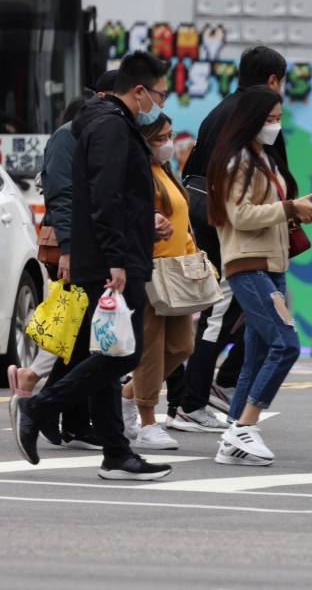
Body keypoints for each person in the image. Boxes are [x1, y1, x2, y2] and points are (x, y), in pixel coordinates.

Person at [11, 52, 174, 480]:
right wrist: (118, 260)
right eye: (159, 93)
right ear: (138, 90)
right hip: (111, 261)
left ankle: (116, 454)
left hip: (106, 255)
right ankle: (40, 405)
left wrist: (141, 225)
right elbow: (105, 198)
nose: (160, 102)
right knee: (126, 351)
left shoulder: (105, 123)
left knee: (108, 350)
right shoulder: (111, 126)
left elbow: (115, 197)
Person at [206, 85, 312, 466]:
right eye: (269, 119)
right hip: (249, 263)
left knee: (255, 355)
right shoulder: (237, 160)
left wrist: (295, 210)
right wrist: (289, 207)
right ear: (251, 120)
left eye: (278, 119)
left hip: (273, 265)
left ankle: (233, 435)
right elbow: (240, 215)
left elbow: (268, 208)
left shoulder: (262, 159)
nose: (275, 126)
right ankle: (244, 428)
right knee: (286, 344)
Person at [176, 45, 290, 428]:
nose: (277, 118)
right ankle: (193, 400)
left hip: (201, 214)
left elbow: (192, 167)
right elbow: (275, 183)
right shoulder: (256, 119)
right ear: (273, 81)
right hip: (232, 232)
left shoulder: (217, 111)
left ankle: (213, 389)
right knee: (220, 310)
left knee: (225, 310)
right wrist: (290, 209)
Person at [6, 79, 113, 450]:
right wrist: (69, 249)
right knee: (79, 335)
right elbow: (63, 195)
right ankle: (42, 401)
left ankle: (62, 415)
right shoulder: (70, 136)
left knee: (82, 338)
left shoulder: (104, 134)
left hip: (91, 251)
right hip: (78, 251)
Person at [119, 114, 197, 451]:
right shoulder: (138, 173)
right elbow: (130, 219)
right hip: (151, 271)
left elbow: (181, 222)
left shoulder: (165, 172)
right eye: (161, 137)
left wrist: (194, 255)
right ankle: (148, 421)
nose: (168, 142)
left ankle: (124, 394)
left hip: (176, 271)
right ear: (145, 139)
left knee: (183, 346)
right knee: (149, 349)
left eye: (170, 135)